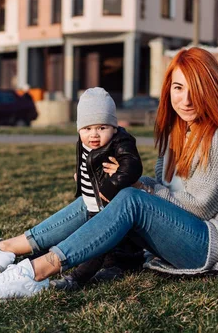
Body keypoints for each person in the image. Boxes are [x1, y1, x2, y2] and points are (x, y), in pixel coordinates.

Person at [0, 48, 218, 302]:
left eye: (195, 89)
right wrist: (135, 184)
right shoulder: (179, 134)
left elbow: (199, 208)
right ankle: (7, 248)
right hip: (191, 232)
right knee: (104, 191)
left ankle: (34, 271)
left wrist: (139, 187)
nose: (185, 99)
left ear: (211, 89)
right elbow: (166, 193)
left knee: (128, 197)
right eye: (178, 88)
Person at [49, 87, 144, 290]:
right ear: (79, 129)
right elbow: (84, 162)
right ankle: (116, 265)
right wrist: (80, 177)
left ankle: (77, 278)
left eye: (102, 128)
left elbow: (132, 166)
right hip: (93, 204)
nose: (94, 134)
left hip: (110, 205)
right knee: (100, 240)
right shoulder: (84, 143)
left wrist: (110, 186)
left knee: (98, 243)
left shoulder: (120, 142)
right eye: (87, 128)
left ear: (114, 127)